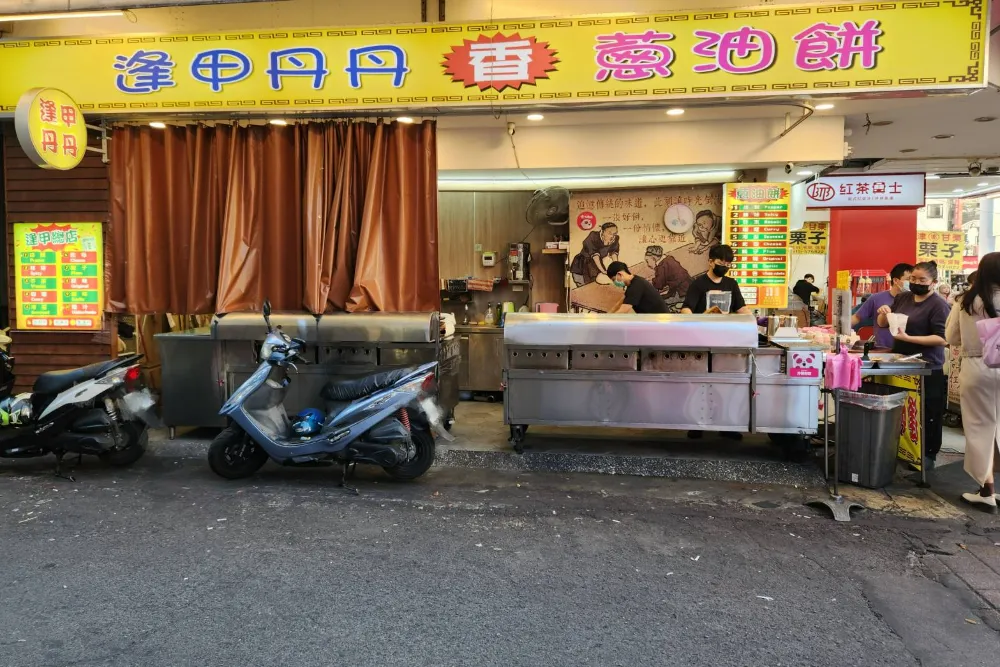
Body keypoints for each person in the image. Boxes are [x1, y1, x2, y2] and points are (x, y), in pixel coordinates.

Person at [876, 261, 950, 469]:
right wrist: (883, 312)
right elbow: (884, 323)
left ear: (933, 283)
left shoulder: (939, 305)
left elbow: (942, 339)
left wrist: (909, 339)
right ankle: (903, 450)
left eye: (922, 280)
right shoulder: (903, 297)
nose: (916, 283)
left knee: (926, 413)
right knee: (905, 411)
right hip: (901, 363)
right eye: (913, 279)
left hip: (927, 366)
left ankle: (927, 456)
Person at [945, 253, 1000, 511]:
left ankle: (986, 487)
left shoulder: (965, 301)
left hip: (977, 366)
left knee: (979, 426)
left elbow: (951, 337)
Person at [852, 262, 913, 349]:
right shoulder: (876, 298)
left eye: (913, 279)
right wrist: (837, 330)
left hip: (908, 350)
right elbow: (857, 317)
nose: (912, 282)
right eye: (908, 279)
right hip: (882, 349)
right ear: (896, 280)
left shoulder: (914, 300)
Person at [680, 244, 750, 315]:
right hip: (703, 325)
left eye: (728, 265)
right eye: (721, 263)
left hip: (726, 325)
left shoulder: (732, 284)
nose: (724, 267)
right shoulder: (698, 284)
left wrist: (752, 321)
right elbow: (686, 309)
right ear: (711, 262)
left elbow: (741, 308)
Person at [570, 222, 620, 286]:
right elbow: (595, 256)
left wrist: (617, 268)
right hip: (581, 266)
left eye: (615, 233)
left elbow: (613, 253)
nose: (612, 236)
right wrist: (603, 271)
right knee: (584, 288)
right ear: (602, 231)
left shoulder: (615, 238)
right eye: (610, 233)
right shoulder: (593, 236)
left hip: (595, 267)